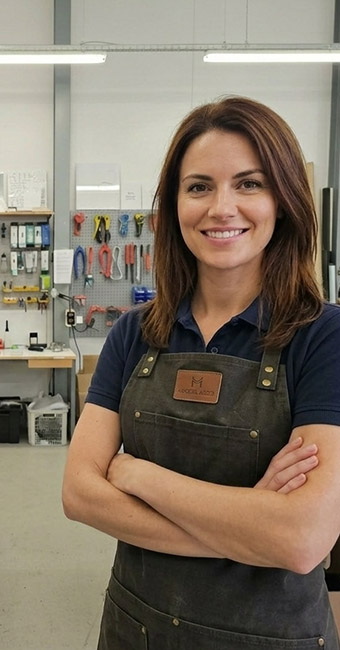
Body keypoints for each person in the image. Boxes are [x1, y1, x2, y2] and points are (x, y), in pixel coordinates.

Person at [62, 95, 340, 649]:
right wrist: (248, 526)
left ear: (282, 201)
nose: (222, 207)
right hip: (134, 628)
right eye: (199, 187)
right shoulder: (134, 333)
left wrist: (140, 477)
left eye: (249, 184)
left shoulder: (323, 339)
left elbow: (303, 538)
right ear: (174, 206)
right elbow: (79, 494)